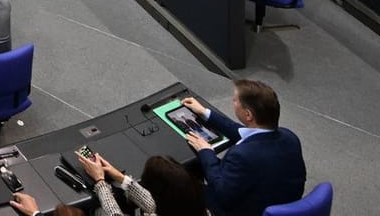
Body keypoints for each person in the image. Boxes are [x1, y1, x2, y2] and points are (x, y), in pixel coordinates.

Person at [176, 82, 306, 216]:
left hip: (242, 210)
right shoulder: (289, 137)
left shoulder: (242, 155)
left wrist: (206, 152)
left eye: (235, 100)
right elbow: (243, 132)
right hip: (276, 200)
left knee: (179, 181)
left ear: (248, 114)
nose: (233, 101)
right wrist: (205, 113)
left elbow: (222, 194)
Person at [64, 151, 207, 216]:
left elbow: (115, 214)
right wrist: (120, 177)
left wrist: (100, 181)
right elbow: (152, 204)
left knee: (99, 211)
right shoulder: (191, 202)